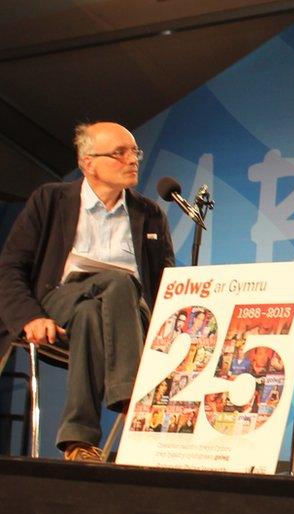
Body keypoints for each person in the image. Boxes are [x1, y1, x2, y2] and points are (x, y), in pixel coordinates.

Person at [0, 121, 175, 461]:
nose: (132, 160)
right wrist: (29, 316)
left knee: (93, 313)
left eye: (134, 152)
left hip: (129, 312)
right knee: (116, 282)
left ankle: (78, 442)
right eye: (120, 153)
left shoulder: (149, 214)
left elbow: (166, 282)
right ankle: (131, 396)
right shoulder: (50, 199)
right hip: (60, 298)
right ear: (88, 163)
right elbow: (10, 267)